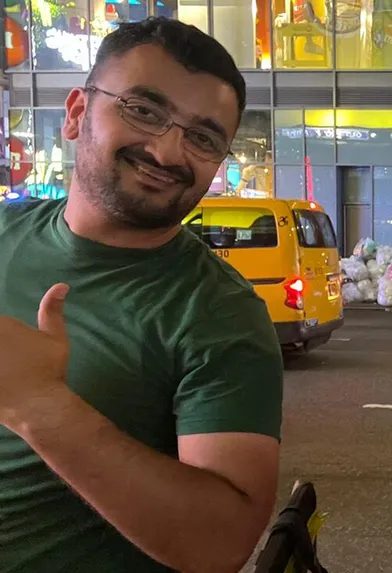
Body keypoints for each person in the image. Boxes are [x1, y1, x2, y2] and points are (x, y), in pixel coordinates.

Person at [0, 17, 283, 573]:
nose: (167, 151)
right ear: (78, 113)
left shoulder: (221, 315)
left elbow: (220, 545)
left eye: (203, 138)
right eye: (144, 111)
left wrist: (41, 405)